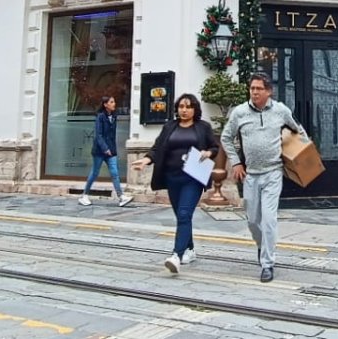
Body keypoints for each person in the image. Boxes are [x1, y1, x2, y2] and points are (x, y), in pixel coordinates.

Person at [221, 72, 307, 283]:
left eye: (259, 88)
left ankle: (267, 263)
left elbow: (298, 130)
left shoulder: (281, 110)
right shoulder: (239, 112)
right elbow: (226, 137)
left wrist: (302, 155)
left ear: (269, 91)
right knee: (252, 220)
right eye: (252, 88)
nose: (255, 92)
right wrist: (236, 162)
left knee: (269, 220)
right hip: (250, 175)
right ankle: (261, 246)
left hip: (273, 173)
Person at [132, 93, 219, 274]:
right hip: (172, 177)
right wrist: (146, 160)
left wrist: (208, 153)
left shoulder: (203, 127)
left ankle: (176, 256)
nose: (184, 110)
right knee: (182, 216)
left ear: (195, 109)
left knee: (184, 213)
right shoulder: (169, 126)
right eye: (181, 107)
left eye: (188, 107)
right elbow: (157, 148)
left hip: (193, 178)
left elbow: (214, 147)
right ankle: (190, 249)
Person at [79, 95, 133, 207]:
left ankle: (121, 197)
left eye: (114, 102)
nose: (114, 104)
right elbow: (98, 135)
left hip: (111, 150)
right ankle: (84, 195)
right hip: (99, 151)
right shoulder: (100, 117)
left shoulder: (114, 116)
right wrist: (105, 148)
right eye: (111, 102)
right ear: (105, 104)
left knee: (115, 173)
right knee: (94, 173)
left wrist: (112, 149)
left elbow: (112, 135)